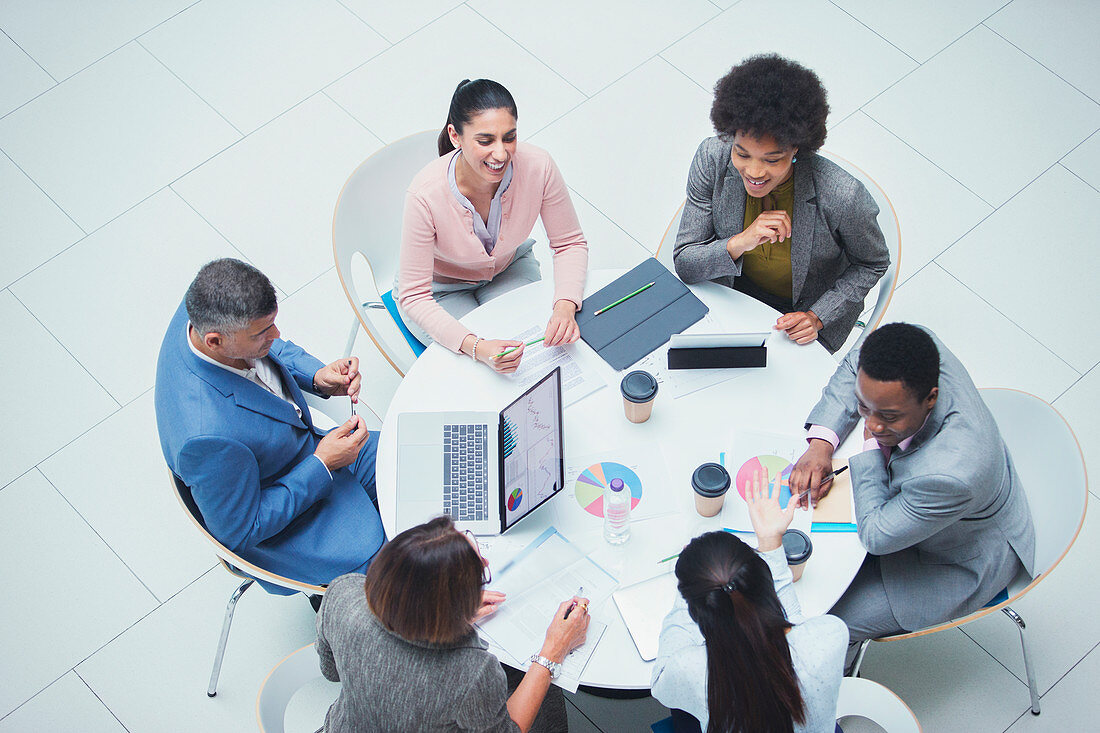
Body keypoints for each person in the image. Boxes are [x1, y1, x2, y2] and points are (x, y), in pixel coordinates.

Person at [790, 323, 1036, 669]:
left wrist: (871, 447)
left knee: (821, 624)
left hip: (955, 561)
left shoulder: (954, 474)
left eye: (888, 416)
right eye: (864, 407)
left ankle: (832, 680)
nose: (873, 424)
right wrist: (822, 444)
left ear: (931, 398)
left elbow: (876, 534)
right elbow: (857, 362)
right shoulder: (915, 349)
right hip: (936, 505)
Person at [155, 258, 386, 596]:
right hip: (294, 523)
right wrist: (322, 464)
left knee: (407, 453)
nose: (276, 336)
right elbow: (243, 531)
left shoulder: (201, 308)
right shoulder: (207, 438)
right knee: (402, 574)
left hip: (303, 450)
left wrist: (318, 377)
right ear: (215, 342)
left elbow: (270, 349)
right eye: (262, 332)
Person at [672, 54, 890, 353]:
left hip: (803, 314)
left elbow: (872, 263)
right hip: (729, 297)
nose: (754, 172)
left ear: (798, 148)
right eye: (742, 154)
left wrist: (818, 316)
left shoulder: (842, 195)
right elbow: (686, 261)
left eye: (772, 160)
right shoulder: (712, 158)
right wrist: (740, 241)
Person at [317, 516, 589, 732]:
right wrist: (554, 650)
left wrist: (444, 614)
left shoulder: (342, 593)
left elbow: (331, 671)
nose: (485, 561)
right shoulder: (472, 672)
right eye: (480, 569)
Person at [396, 78, 589, 373]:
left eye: (509, 137)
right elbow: (415, 295)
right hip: (441, 289)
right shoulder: (424, 194)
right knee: (480, 368)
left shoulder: (539, 166)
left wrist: (565, 304)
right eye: (485, 141)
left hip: (508, 267)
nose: (501, 154)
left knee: (531, 352)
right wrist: (477, 347)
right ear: (455, 136)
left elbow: (569, 243)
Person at [652, 470, 847, 733]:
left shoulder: (690, 670)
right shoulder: (831, 634)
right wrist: (770, 543)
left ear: (697, 614)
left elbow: (661, 684)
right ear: (764, 577)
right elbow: (795, 629)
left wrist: (689, 590)